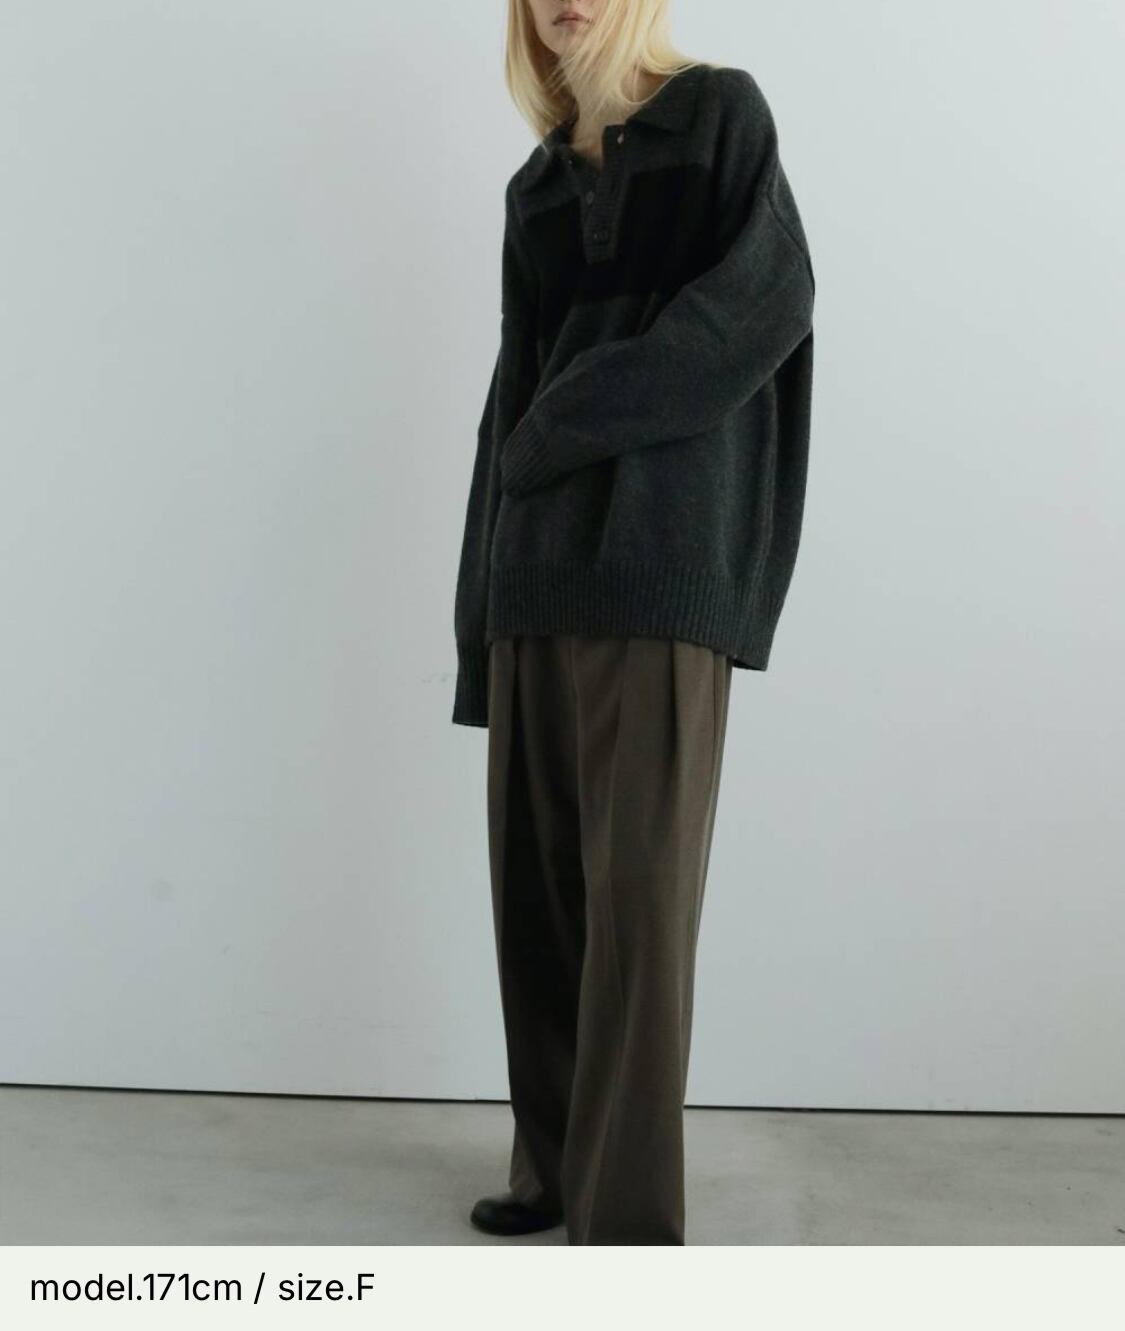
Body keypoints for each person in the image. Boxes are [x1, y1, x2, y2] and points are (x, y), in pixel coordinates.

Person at [452, 0, 815, 1245]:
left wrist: (564, 417)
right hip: (533, 578)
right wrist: (477, 625)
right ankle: (553, 1168)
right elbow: (507, 406)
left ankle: (626, 1219)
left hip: (658, 570)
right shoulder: (535, 190)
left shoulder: (718, 117)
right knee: (539, 901)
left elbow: (764, 305)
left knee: (638, 911)